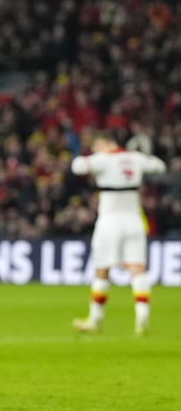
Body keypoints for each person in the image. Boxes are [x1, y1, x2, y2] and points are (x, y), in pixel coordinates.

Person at [70, 132, 167, 335]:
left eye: (96, 147)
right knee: (137, 269)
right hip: (134, 220)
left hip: (109, 221)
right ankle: (142, 317)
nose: (95, 151)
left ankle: (95, 320)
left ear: (103, 144)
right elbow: (159, 166)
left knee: (102, 269)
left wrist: (87, 157)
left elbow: (77, 166)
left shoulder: (104, 158)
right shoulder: (135, 158)